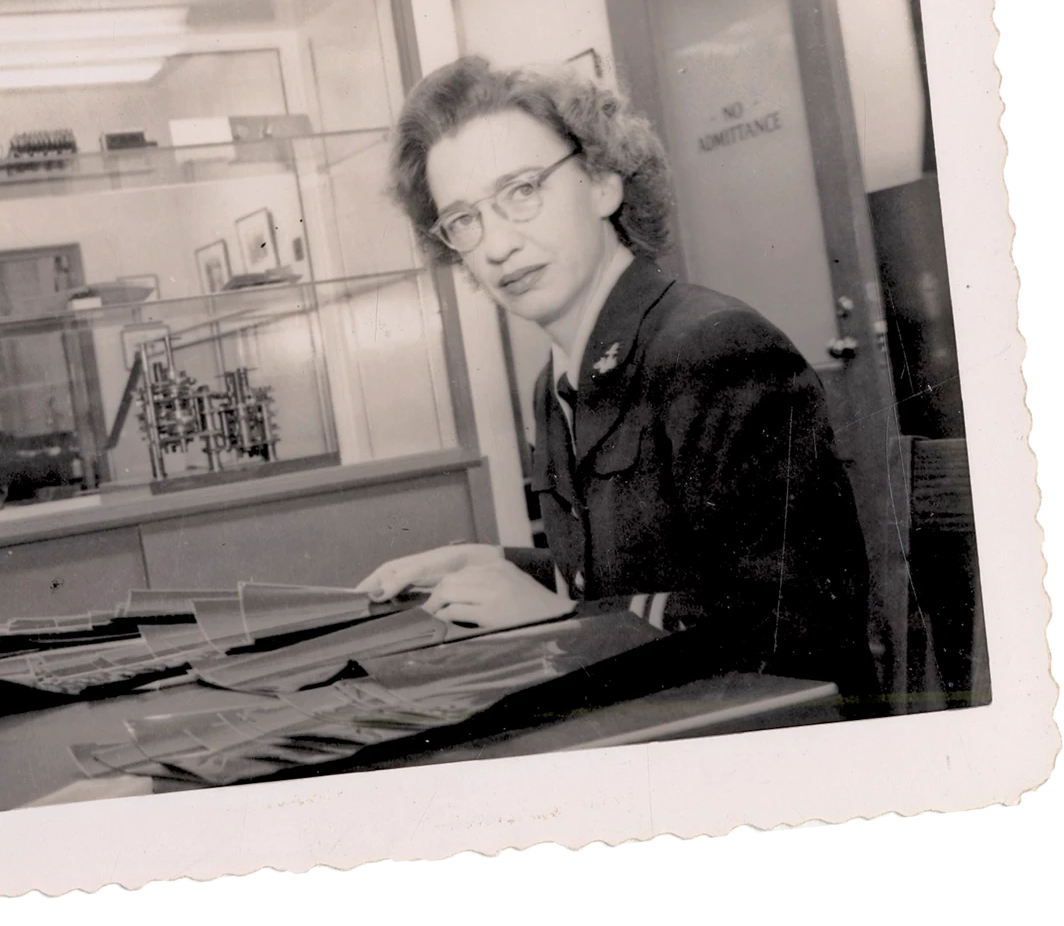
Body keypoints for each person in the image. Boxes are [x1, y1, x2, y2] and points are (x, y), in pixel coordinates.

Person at [357, 56, 877, 698]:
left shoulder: (714, 350)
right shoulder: (557, 386)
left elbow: (798, 629)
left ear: (603, 182)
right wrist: (501, 564)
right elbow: (633, 576)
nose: (496, 246)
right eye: (465, 220)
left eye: (521, 191)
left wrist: (560, 620)